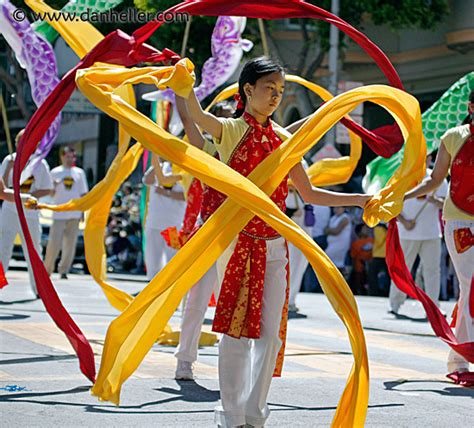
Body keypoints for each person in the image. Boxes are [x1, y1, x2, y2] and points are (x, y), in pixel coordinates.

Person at [177, 56, 370, 428]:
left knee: (271, 335)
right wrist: (185, 89)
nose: (275, 97)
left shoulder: (284, 141)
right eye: (269, 89)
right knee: (236, 331)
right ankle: (231, 414)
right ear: (247, 90)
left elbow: (310, 194)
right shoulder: (231, 130)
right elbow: (200, 120)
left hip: (275, 244)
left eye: (280, 91)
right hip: (236, 242)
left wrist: (358, 200)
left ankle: (254, 412)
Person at [404, 90, 473, 379]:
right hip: (460, 222)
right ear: (471, 107)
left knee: (468, 289)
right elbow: (435, 179)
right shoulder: (454, 137)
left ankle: (457, 359)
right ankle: (463, 356)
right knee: (471, 284)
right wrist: (401, 197)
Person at [389, 154, 448, 315]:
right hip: (407, 232)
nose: (424, 160)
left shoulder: (438, 179)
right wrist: (403, 220)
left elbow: (446, 204)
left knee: (432, 270)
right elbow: (393, 203)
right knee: (403, 269)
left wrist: (434, 201)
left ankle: (433, 306)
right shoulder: (403, 177)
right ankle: (395, 303)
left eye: (427, 157)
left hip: (431, 232)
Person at [0, 130, 53, 296]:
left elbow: (48, 188)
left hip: (29, 214)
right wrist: (9, 168)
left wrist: (30, 198)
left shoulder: (39, 164)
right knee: (3, 248)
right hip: (9, 211)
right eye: (20, 141)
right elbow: (4, 190)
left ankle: (39, 289)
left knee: (33, 251)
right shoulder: (9, 159)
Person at [43, 146, 88, 279]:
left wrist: (83, 212)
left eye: (72, 157)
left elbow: (83, 193)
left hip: (74, 212)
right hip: (59, 211)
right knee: (54, 242)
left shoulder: (79, 173)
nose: (69, 159)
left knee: (70, 243)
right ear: (62, 157)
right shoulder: (55, 172)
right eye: (67, 157)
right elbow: (49, 193)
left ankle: (64, 270)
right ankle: (48, 269)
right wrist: (54, 186)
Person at [142, 154, 186, 280]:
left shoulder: (183, 171)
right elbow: (147, 181)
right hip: (153, 224)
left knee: (173, 263)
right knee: (153, 263)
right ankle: (153, 290)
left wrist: (165, 193)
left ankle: (170, 291)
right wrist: (158, 161)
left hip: (173, 226)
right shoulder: (160, 167)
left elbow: (185, 196)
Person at [325, 206, 352, 273]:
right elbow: (325, 230)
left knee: (334, 264)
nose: (336, 210)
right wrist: (330, 230)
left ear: (343, 208)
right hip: (331, 244)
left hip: (340, 246)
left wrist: (329, 230)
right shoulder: (333, 218)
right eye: (335, 208)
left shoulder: (345, 218)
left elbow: (336, 231)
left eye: (338, 208)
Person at [349, 223, 373, 295]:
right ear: (359, 232)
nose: (367, 230)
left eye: (367, 228)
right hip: (359, 267)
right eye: (364, 229)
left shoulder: (372, 240)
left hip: (371, 265)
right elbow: (353, 256)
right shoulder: (355, 244)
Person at [367, 223, 390, 296]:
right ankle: (388, 291)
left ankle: (373, 292)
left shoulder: (378, 228)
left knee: (372, 274)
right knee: (389, 275)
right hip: (388, 254)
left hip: (379, 254)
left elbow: (378, 241)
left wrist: (373, 245)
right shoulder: (389, 227)